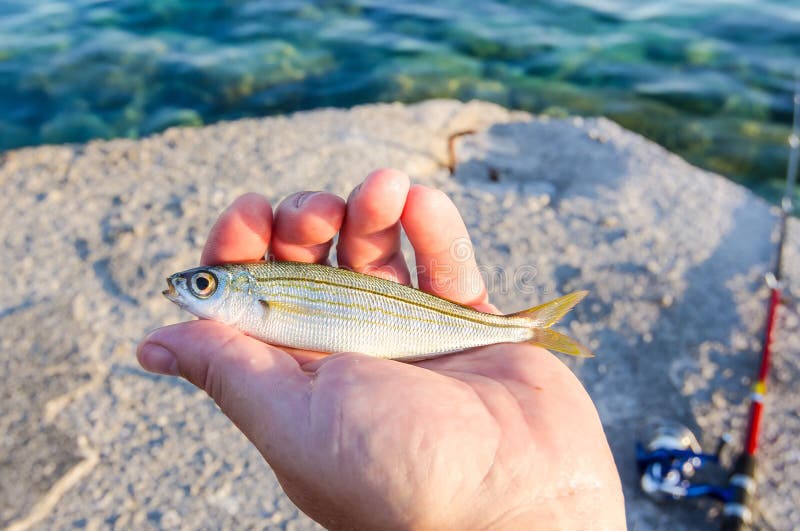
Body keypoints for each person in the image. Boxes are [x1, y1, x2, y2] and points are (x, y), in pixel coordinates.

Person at [137, 168, 625, 529]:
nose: (191, 289)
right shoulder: (249, 307)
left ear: (245, 290)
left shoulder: (257, 293)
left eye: (203, 284)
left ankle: (527, 329)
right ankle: (526, 330)